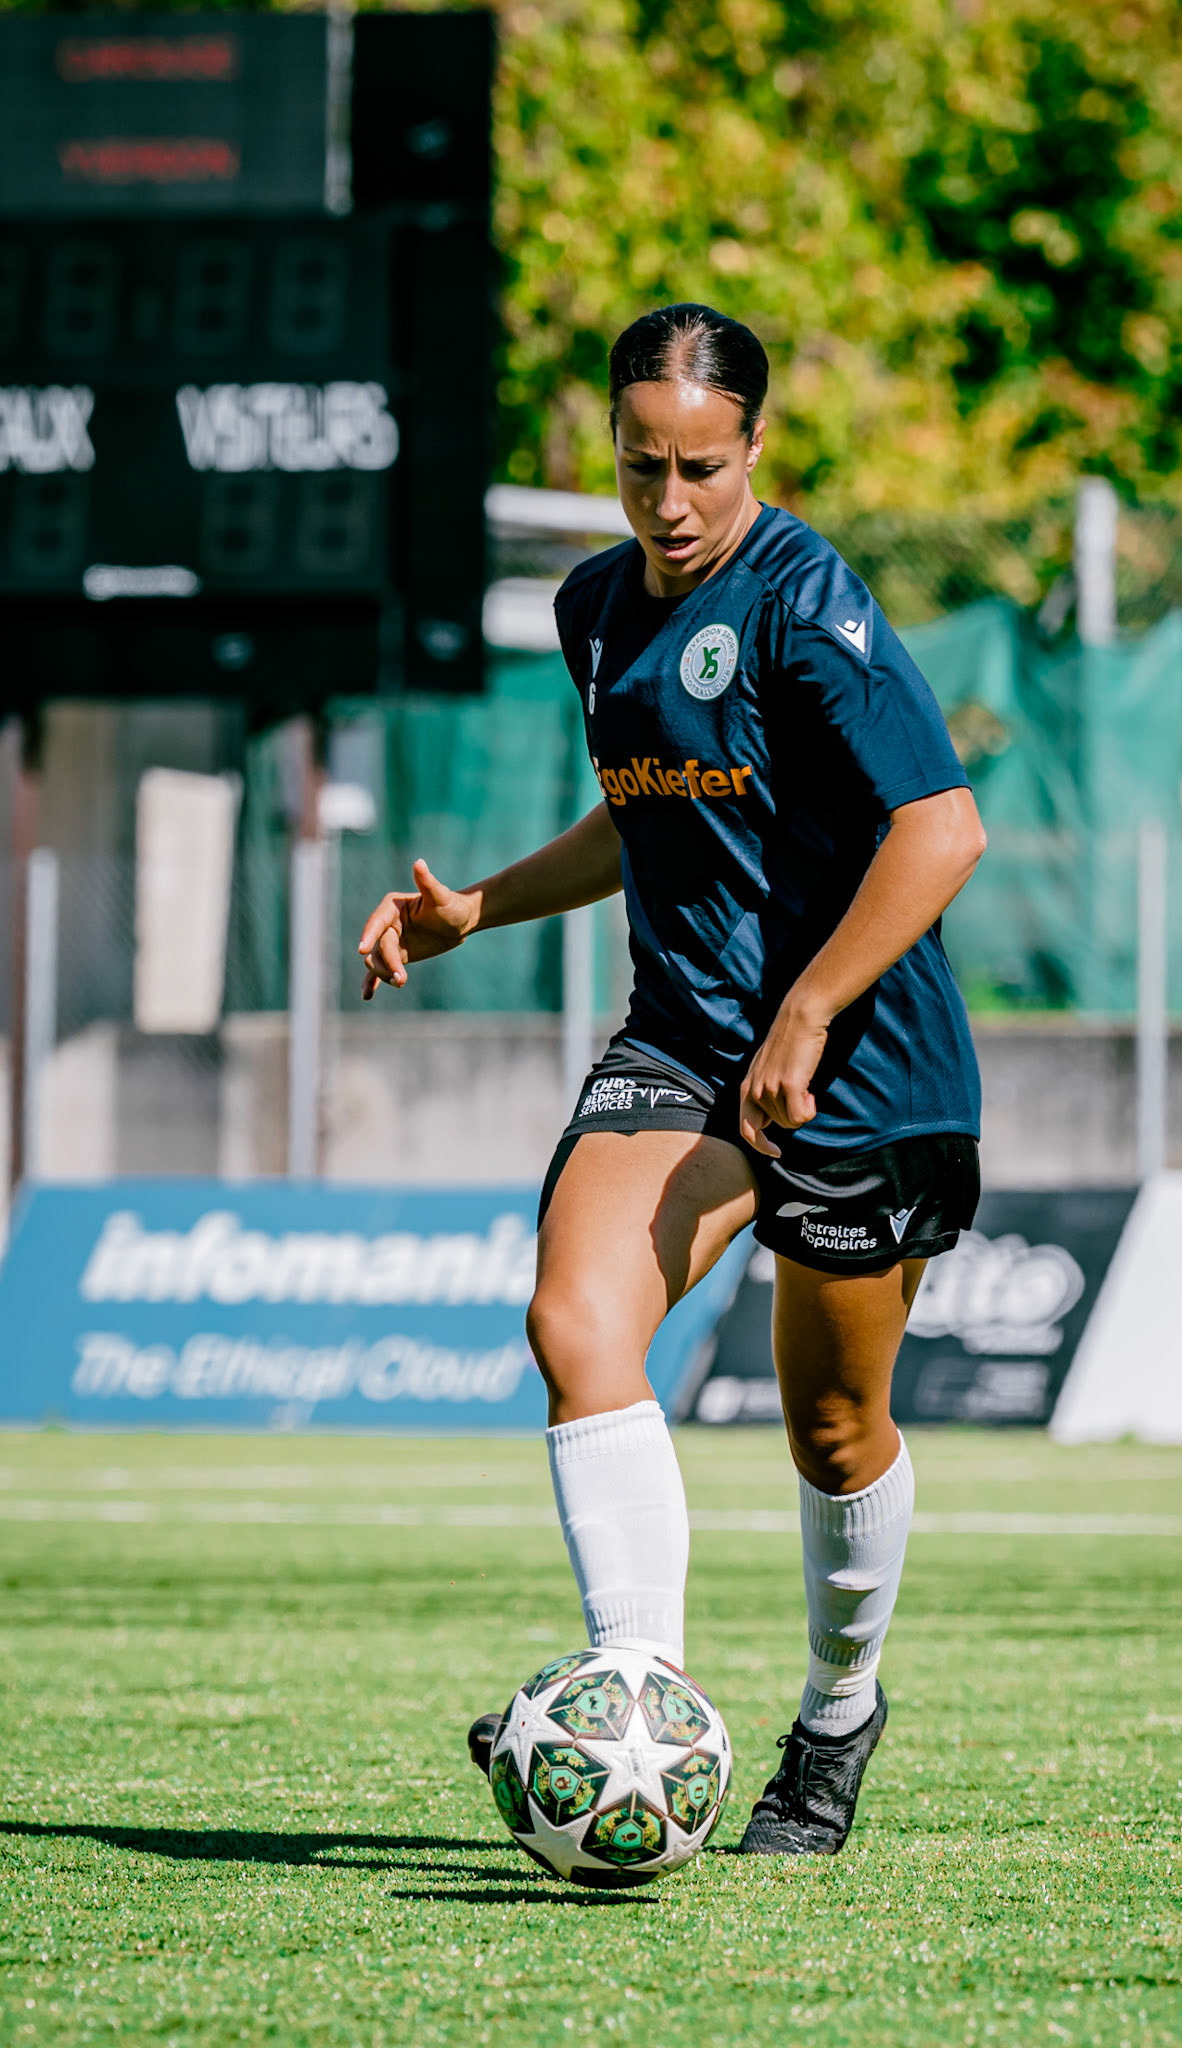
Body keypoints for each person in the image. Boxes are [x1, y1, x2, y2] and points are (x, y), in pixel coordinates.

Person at [357, 303, 986, 1857]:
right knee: (574, 1320)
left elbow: (940, 830)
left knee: (833, 1433)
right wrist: (478, 908)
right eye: (642, 467)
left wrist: (811, 1015)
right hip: (685, 1045)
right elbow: (648, 814)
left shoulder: (804, 600)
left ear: (753, 445)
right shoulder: (594, 608)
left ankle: (837, 1719)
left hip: (865, 1065)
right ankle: (638, 1701)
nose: (671, 501)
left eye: (702, 466)